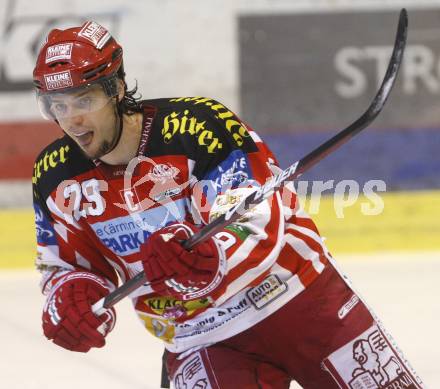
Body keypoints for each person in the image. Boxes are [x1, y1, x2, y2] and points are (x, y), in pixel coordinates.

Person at [32, 21, 424, 389]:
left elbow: (257, 219)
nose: (71, 120)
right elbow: (65, 265)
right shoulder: (54, 176)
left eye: (83, 99)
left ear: (116, 88)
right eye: (57, 105)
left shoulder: (197, 127)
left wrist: (205, 259)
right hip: (199, 338)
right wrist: (72, 296)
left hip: (300, 297)